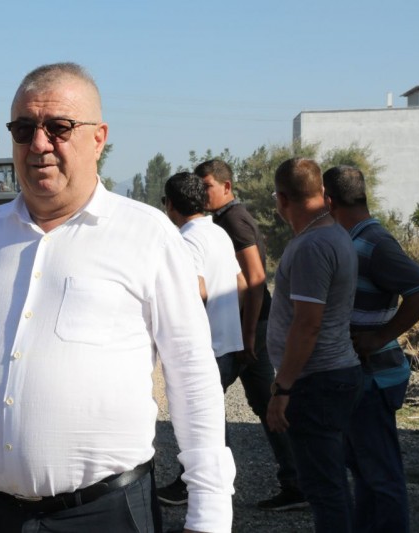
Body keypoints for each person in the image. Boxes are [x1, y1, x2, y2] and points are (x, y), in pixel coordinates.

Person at [0, 62, 235, 533]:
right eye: (24, 129)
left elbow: (194, 379)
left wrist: (210, 516)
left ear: (98, 138)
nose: (39, 144)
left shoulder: (147, 235)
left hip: (101, 514)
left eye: (59, 127)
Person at [188, 159, 305, 511]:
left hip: (247, 328)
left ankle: (201, 483)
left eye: (207, 186)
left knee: (204, 402)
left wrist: (248, 334)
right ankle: (297, 482)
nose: (201, 193)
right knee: (264, 405)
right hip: (247, 327)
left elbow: (254, 278)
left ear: (226, 186)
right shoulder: (225, 219)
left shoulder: (233, 220)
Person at [324, 165, 419, 533]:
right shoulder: (352, 240)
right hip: (360, 377)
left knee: (381, 476)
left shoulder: (374, 243)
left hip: (375, 378)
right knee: (365, 472)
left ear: (328, 201)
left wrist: (380, 336)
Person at [267, 157, 363, 533]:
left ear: (281, 199)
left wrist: (283, 388)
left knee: (324, 488)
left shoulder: (313, 245)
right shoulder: (333, 234)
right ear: (322, 192)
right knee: (330, 483)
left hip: (315, 381)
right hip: (330, 374)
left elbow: (307, 324)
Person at [156, 172, 245, 506]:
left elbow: (199, 290)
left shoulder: (185, 239)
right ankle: (212, 487)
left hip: (207, 347)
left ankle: (197, 490)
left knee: (198, 424)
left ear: (169, 204)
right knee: (211, 420)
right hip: (227, 341)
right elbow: (240, 283)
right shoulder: (218, 232)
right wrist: (229, 320)